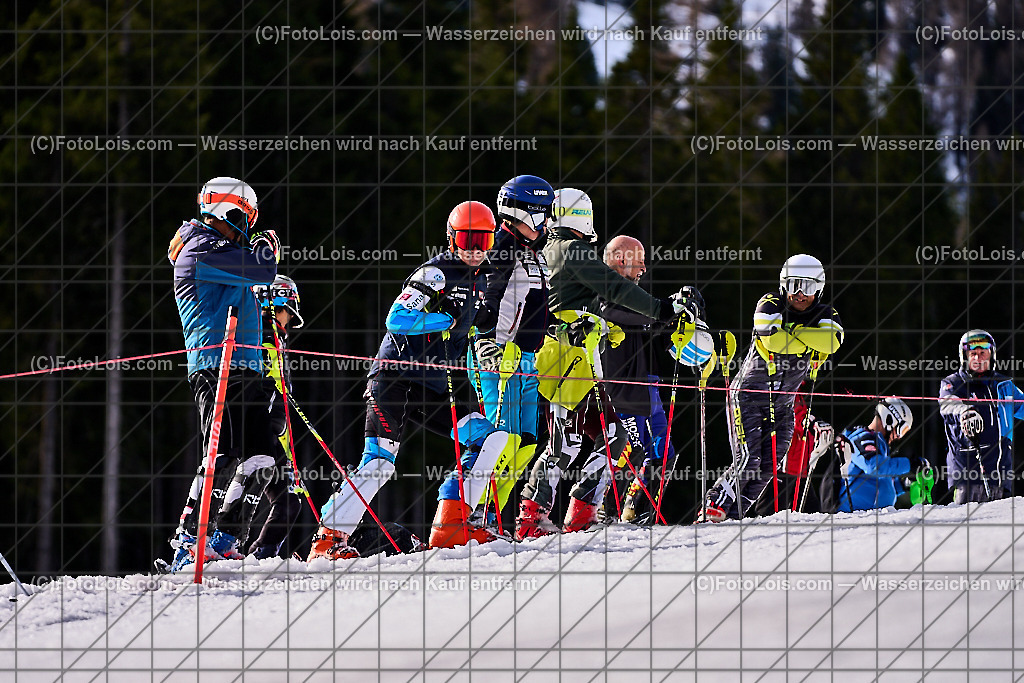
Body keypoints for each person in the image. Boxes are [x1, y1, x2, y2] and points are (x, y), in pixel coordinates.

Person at [308, 201, 518, 560]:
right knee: (380, 463)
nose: (474, 248)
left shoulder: (481, 277)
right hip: (396, 376)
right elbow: (398, 320)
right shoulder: (435, 274)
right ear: (452, 238)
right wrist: (444, 321)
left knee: (490, 439)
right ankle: (328, 540)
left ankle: (451, 524)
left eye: (483, 240)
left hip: (436, 383)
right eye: (467, 238)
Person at [516, 189, 702, 538]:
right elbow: (615, 289)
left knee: (612, 437)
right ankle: (533, 514)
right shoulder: (571, 250)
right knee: (567, 442)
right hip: (565, 360)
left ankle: (581, 511)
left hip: (575, 360)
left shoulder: (554, 249)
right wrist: (663, 309)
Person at [166, 176, 281, 570]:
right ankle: (187, 539)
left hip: (245, 366)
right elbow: (263, 270)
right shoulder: (201, 248)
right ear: (226, 211)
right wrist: (266, 249)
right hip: (217, 365)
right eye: (244, 217)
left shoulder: (223, 251)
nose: (246, 227)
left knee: (261, 457)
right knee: (223, 453)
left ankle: (225, 537)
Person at [702, 254, 844, 522]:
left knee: (769, 467)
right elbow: (772, 340)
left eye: (809, 287)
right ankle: (713, 504)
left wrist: (792, 333)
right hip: (749, 395)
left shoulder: (827, 312)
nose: (800, 294)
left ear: (820, 289)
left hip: (783, 404)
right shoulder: (770, 302)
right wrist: (809, 340)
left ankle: (733, 514)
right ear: (783, 285)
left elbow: (833, 340)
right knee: (749, 459)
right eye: (794, 285)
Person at [596, 235, 712, 523]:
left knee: (665, 454)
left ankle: (635, 512)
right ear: (621, 261)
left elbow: (650, 333)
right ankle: (604, 510)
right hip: (622, 389)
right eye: (639, 262)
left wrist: (683, 326)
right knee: (634, 450)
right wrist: (668, 311)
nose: (643, 269)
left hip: (647, 385)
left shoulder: (633, 296)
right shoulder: (605, 290)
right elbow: (626, 315)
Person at [469, 176, 554, 521]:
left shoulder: (533, 252)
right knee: (498, 442)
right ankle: (472, 514)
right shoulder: (501, 245)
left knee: (525, 444)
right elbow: (483, 299)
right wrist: (484, 340)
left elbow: (533, 304)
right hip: (500, 355)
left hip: (527, 358)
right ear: (525, 212)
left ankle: (493, 515)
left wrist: (558, 326)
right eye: (542, 213)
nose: (546, 222)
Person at [247, 274, 306, 559]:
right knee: (281, 500)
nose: (287, 324)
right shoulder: (255, 340)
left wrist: (288, 455)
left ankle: (266, 555)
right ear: (271, 306)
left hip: (273, 436)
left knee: (291, 501)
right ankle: (237, 549)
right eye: (286, 313)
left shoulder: (276, 344)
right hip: (255, 436)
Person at [939, 330, 1024, 503]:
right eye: (973, 354)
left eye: (983, 353)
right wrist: (964, 411)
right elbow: (948, 403)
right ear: (965, 357)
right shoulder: (952, 383)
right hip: (968, 474)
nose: (978, 358)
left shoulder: (1004, 385)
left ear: (991, 355)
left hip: (1001, 474)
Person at [836, 398, 915, 512]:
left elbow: (879, 484)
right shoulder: (862, 439)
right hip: (853, 515)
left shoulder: (878, 444)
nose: (899, 436)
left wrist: (902, 485)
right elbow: (874, 467)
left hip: (871, 515)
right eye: (902, 429)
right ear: (890, 419)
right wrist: (910, 464)